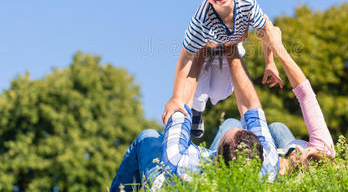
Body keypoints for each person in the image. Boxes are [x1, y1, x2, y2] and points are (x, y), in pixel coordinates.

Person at [109, 46, 279, 191]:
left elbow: (181, 107)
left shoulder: (180, 164)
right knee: (231, 123)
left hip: (171, 186)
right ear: (259, 154)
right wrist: (231, 47)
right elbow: (250, 108)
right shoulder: (268, 163)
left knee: (147, 137)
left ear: (217, 161)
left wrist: (201, 49)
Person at [162, 0, 283, 138]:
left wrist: (270, 63)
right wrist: (177, 97)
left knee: (220, 93)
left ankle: (205, 101)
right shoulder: (202, 19)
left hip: (230, 46)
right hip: (206, 48)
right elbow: (185, 55)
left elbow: (265, 31)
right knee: (199, 81)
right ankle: (196, 111)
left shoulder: (248, 4)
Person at [255, 15, 336, 174]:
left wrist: (274, 45)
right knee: (278, 127)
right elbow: (306, 94)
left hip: (279, 164)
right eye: (307, 149)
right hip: (290, 155)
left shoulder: (279, 173)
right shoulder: (324, 148)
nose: (299, 148)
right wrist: (274, 52)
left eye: (299, 155)